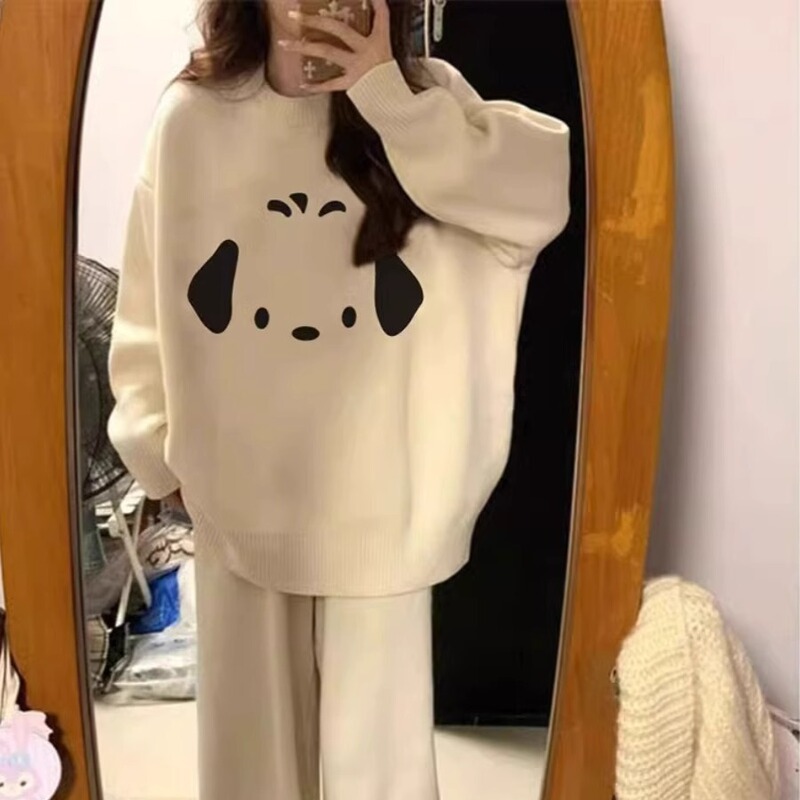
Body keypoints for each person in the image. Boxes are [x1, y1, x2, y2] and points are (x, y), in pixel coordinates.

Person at [106, 0, 570, 797]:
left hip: (384, 507)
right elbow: (149, 297)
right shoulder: (193, 117)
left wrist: (387, 95)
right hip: (241, 498)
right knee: (252, 771)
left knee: (377, 773)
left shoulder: (427, 102)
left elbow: (538, 200)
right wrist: (157, 452)